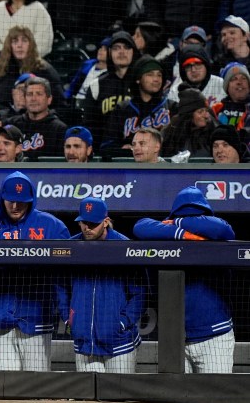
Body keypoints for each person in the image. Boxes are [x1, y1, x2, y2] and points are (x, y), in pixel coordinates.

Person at [0, 172, 69, 371]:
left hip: (37, 319)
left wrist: (64, 311)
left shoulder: (52, 226)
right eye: (10, 201)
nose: (15, 207)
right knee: (4, 386)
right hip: (0, 318)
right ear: (2, 198)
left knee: (37, 386)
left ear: (31, 200)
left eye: (21, 202)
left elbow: (62, 278)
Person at [133, 186, 236, 373]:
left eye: (196, 217)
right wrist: (182, 233)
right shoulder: (165, 234)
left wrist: (179, 222)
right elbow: (139, 226)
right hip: (175, 338)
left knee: (216, 397)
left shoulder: (216, 232)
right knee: (175, 398)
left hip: (214, 337)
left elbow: (224, 229)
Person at [57, 198, 146, 373]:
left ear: (106, 222)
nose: (87, 228)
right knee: (87, 399)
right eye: (83, 223)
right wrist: (69, 320)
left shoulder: (125, 248)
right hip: (84, 344)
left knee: (118, 398)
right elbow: (60, 287)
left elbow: (140, 293)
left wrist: (122, 322)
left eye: (93, 224)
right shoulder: (71, 247)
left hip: (119, 344)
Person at [0, 26, 64, 110]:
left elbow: (60, 105)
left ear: (31, 45)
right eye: (15, 41)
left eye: (24, 40)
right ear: (9, 46)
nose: (19, 45)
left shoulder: (45, 70)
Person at [103, 55, 170, 151]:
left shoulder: (171, 106)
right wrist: (122, 149)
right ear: (138, 79)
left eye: (159, 75)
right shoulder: (122, 108)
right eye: (150, 74)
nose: (156, 79)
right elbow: (106, 145)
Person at [82, 31, 138, 139]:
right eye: (116, 48)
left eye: (126, 47)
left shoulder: (142, 83)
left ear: (133, 52)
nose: (122, 52)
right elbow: (89, 125)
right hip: (104, 149)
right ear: (109, 53)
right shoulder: (96, 85)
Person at [9, 76, 68, 160]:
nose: (33, 99)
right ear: (25, 99)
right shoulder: (13, 125)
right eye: (29, 94)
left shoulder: (59, 129)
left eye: (39, 94)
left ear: (49, 99)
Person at [161, 87, 217, 158]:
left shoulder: (214, 131)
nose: (206, 115)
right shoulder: (169, 134)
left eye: (206, 110)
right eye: (200, 112)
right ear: (188, 114)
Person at [212, 62, 250, 130]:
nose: (239, 82)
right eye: (234, 79)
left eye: (243, 78)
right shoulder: (216, 109)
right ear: (227, 86)